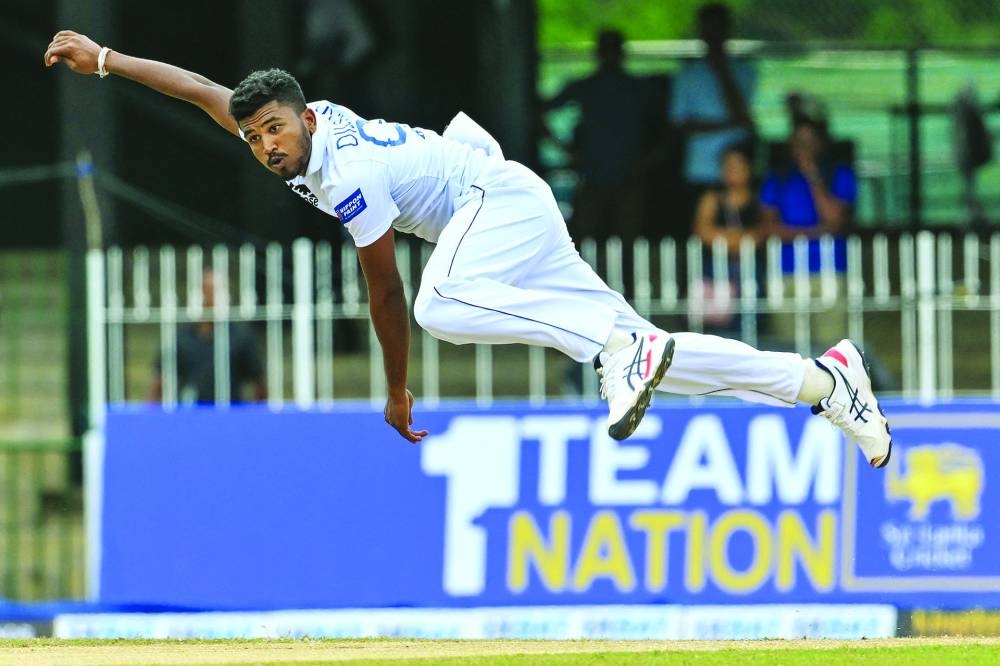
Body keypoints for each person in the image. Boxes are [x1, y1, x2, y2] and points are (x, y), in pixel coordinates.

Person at [44, 30, 892, 469]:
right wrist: (106, 60)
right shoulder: (278, 128)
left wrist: (396, 388)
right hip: (502, 212)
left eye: (274, 130)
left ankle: (616, 350)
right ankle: (824, 382)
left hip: (495, 202)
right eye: (256, 136)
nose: (266, 147)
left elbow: (384, 290)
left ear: (305, 117)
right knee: (663, 356)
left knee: (437, 302)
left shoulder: (346, 174)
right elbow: (201, 90)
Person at [542, 29, 652, 246]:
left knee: (628, 242)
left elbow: (667, 125)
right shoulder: (587, 87)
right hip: (593, 177)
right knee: (582, 240)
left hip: (628, 176)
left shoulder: (637, 88)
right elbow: (538, 112)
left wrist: (649, 158)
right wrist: (567, 150)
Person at [761, 116, 855, 344]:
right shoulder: (777, 178)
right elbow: (768, 229)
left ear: (822, 144)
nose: (804, 148)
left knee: (830, 344)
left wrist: (813, 176)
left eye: (810, 141)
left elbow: (834, 219)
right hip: (785, 271)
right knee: (787, 345)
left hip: (829, 269)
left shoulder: (839, 174)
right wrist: (818, 232)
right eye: (799, 142)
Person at [670, 3, 757, 228]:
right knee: (702, 231)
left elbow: (741, 111)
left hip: (738, 172)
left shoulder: (744, 69)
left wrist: (721, 72)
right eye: (708, 28)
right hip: (700, 170)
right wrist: (730, 124)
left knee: (740, 232)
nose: (713, 34)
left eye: (718, 28)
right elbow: (680, 123)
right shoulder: (688, 73)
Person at [149, 269, 267, 405]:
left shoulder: (240, 337)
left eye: (225, 292)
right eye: (217, 292)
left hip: (230, 413)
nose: (226, 298)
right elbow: (157, 383)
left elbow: (260, 384)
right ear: (201, 296)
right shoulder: (181, 339)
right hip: (191, 413)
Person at [690, 143, 763, 333]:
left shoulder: (760, 198)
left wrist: (723, 237)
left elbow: (761, 234)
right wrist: (740, 239)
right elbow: (703, 231)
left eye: (737, 165)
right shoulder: (711, 198)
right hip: (715, 271)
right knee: (715, 330)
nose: (732, 170)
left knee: (749, 326)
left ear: (750, 168)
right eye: (727, 165)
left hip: (752, 272)